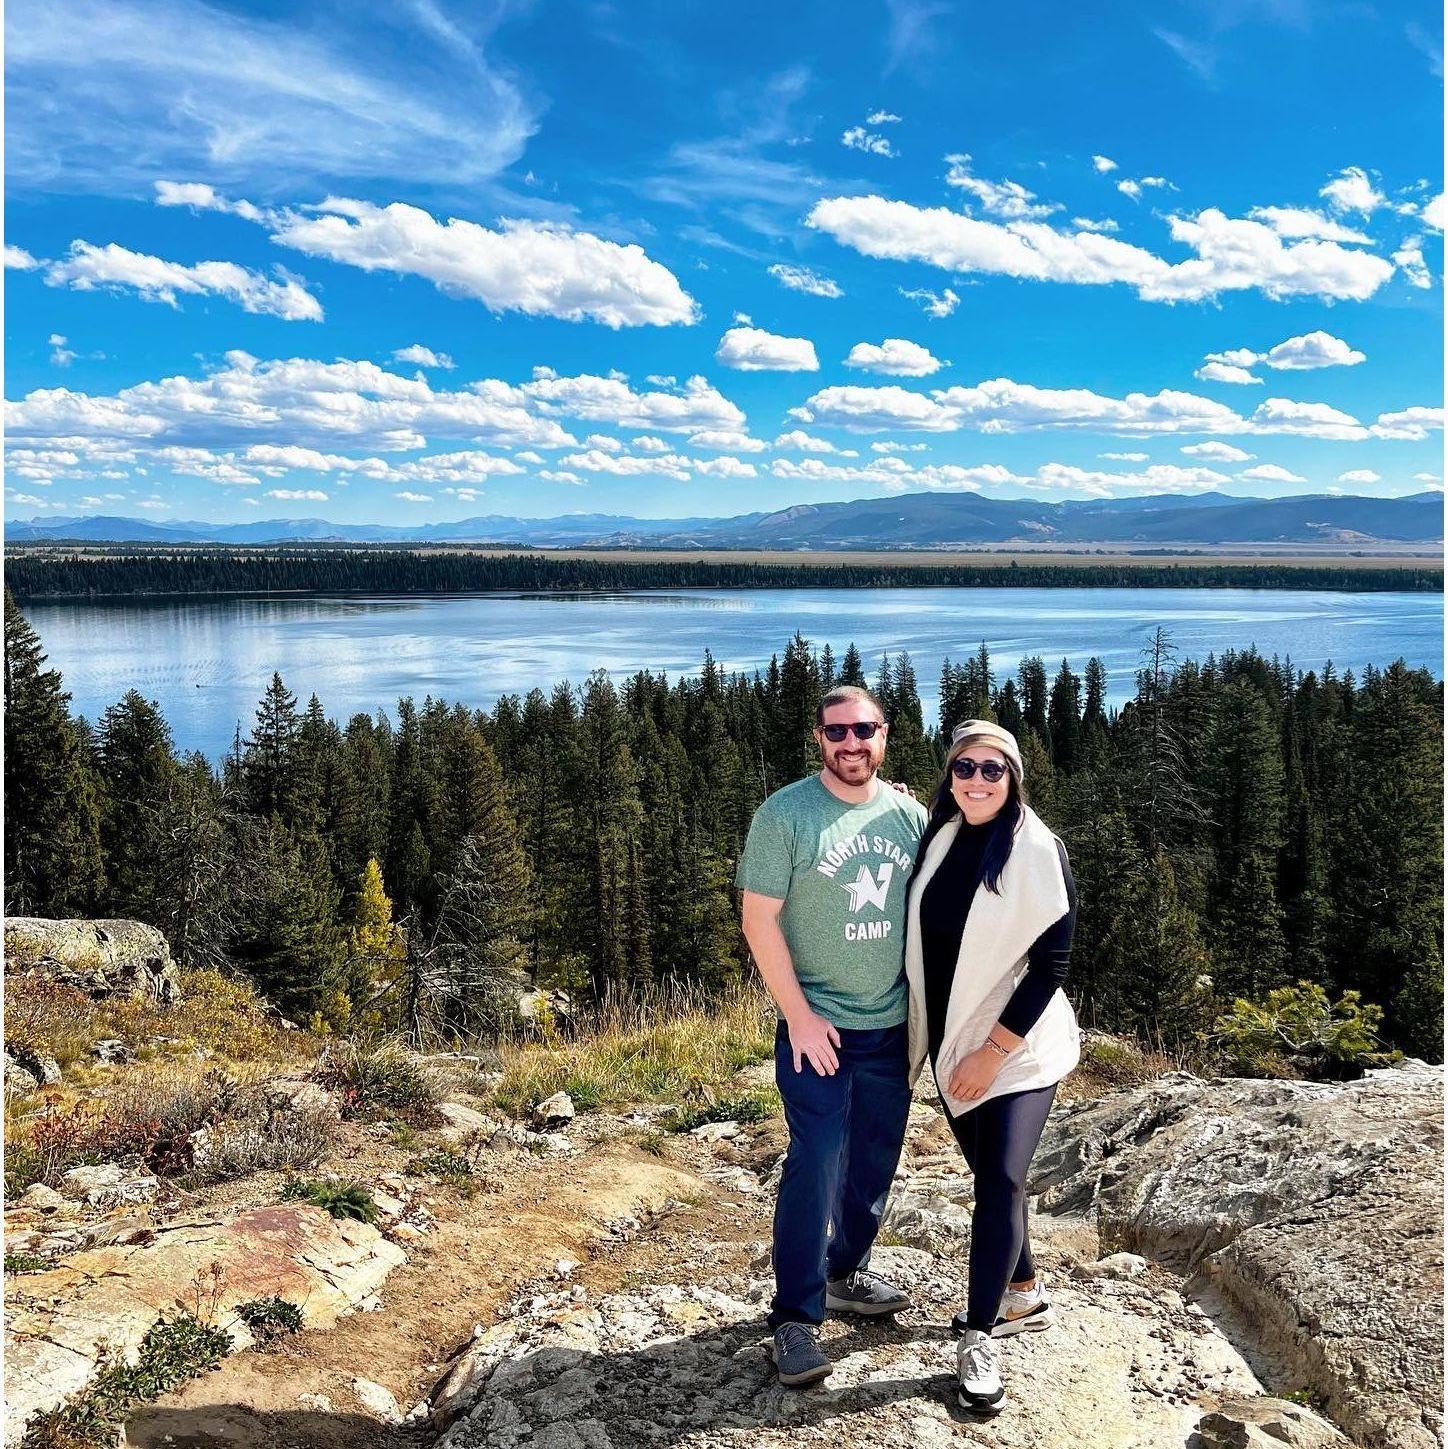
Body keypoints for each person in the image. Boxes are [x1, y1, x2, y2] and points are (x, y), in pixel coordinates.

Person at [736, 684, 928, 1387]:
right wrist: (800, 1015)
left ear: (885, 734)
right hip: (816, 1024)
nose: (852, 743)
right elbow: (759, 920)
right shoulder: (785, 813)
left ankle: (846, 1270)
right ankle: (794, 1316)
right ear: (819, 737)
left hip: (890, 1027)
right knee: (815, 1157)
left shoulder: (909, 816)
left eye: (864, 730)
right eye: (837, 732)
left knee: (874, 1162)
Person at [903, 719, 1079, 1417]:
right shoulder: (941, 835)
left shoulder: (1038, 849)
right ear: (950, 775)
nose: (977, 780)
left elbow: (1052, 966)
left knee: (1003, 1174)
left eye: (992, 770)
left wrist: (993, 1050)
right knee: (992, 1178)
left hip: (1016, 1048)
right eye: (965, 768)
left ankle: (980, 1335)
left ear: (1014, 778)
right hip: (952, 1046)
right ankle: (1025, 1290)